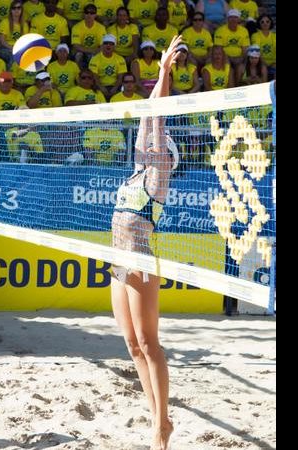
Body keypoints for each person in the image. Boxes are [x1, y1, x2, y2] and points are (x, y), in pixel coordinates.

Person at [110, 34, 182, 450]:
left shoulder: (157, 179)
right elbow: (146, 124)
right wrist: (157, 83)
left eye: (156, 146)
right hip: (118, 261)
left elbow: (154, 121)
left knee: (150, 344)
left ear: (165, 155)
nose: (149, 144)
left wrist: (162, 74)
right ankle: (156, 415)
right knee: (132, 344)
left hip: (139, 261)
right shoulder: (136, 173)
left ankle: (161, 423)